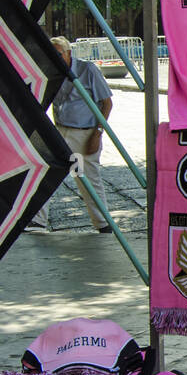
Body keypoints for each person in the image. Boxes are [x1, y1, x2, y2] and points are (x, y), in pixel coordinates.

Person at [28, 37, 114, 234]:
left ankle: (103, 223)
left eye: (59, 54)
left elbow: (107, 103)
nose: (55, 58)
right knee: (47, 172)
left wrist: (98, 133)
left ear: (69, 53)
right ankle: (38, 221)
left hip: (84, 132)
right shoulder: (51, 71)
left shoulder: (87, 70)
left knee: (86, 178)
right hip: (60, 129)